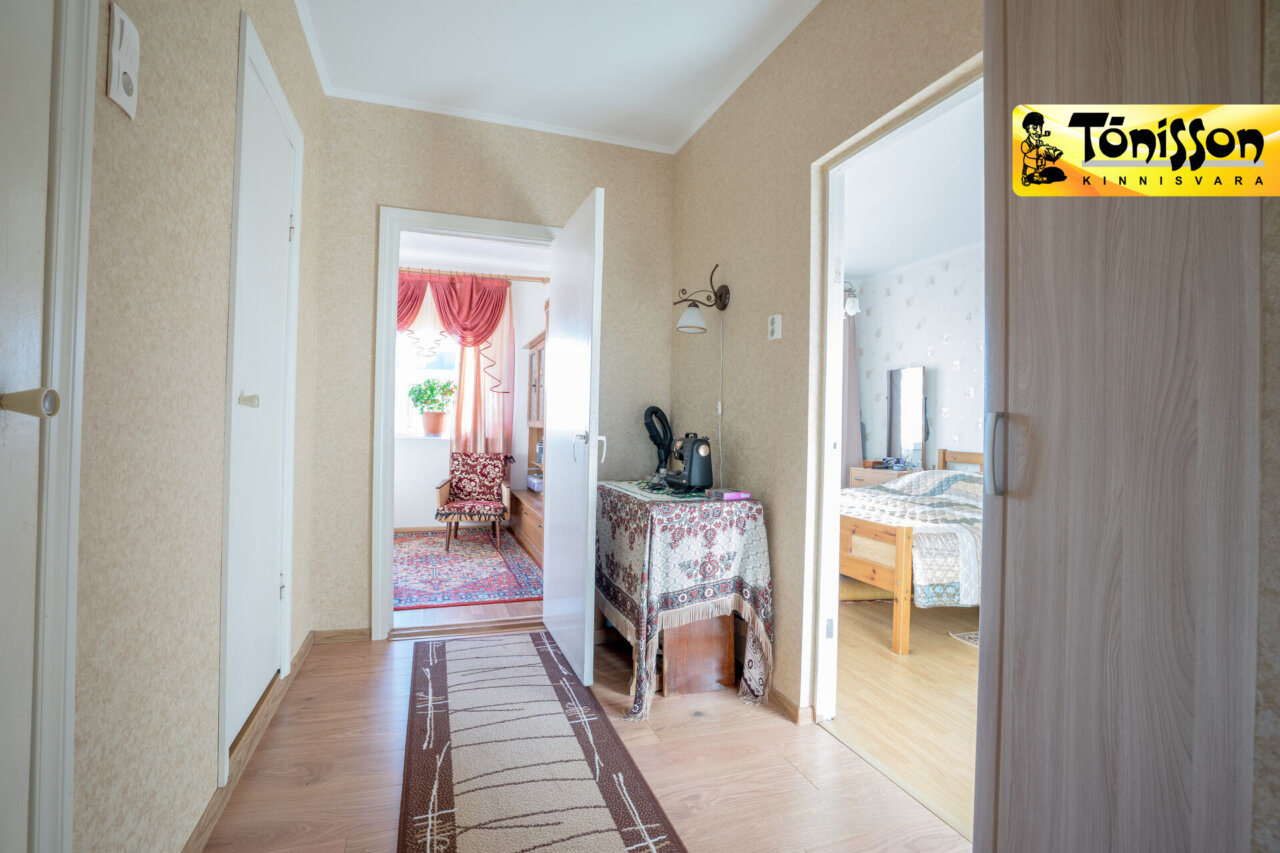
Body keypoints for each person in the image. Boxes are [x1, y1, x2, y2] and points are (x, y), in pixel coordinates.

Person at [1021, 111, 1067, 185]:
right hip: (1029, 160)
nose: (1039, 132)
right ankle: (1024, 176)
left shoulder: (1039, 142)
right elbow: (1026, 151)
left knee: (1038, 166)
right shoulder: (1025, 143)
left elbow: (1043, 148)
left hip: (1038, 161)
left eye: (1040, 128)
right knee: (1026, 168)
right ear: (1027, 128)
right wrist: (1037, 149)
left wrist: (1051, 151)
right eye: (1035, 128)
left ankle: (1036, 177)